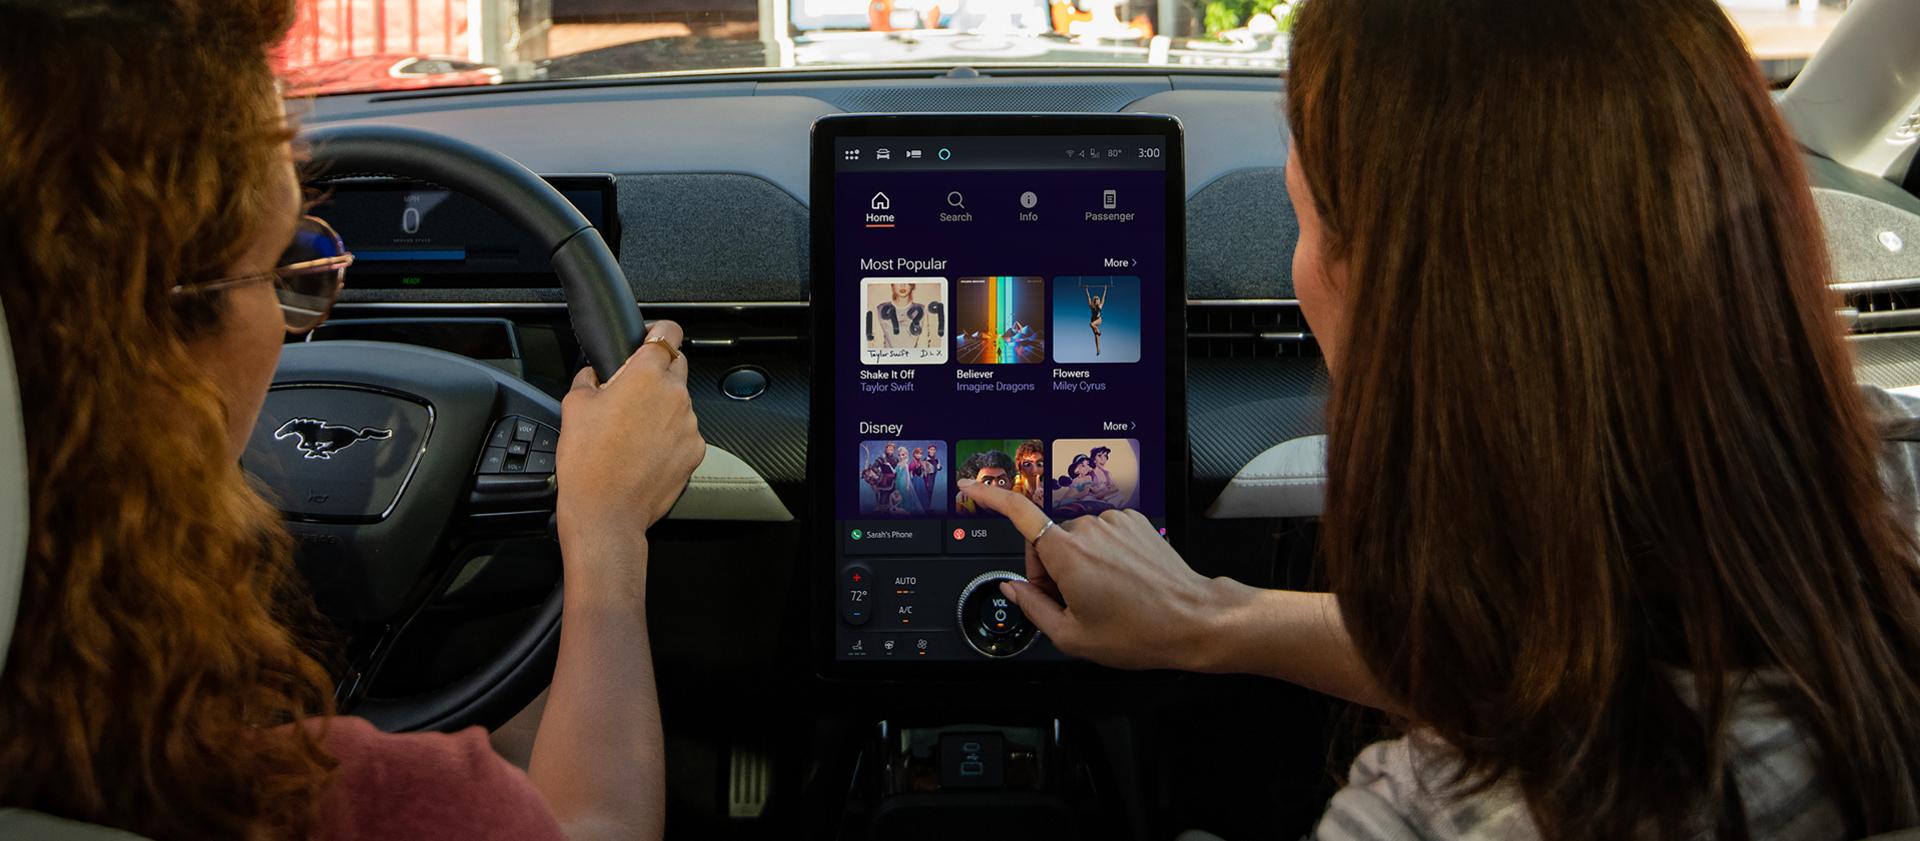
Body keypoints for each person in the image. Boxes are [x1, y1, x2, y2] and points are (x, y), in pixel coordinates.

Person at [960, 0, 1920, 838]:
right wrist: (1217, 617)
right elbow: (1591, 657)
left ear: (1426, 322)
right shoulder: (1889, 493)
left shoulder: (1424, 820)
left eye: (1302, 219)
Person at [0, 2, 705, 839]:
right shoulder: (370, 807)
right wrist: (606, 536)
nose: (305, 321)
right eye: (280, 270)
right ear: (147, 349)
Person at [1083, 284, 1106, 356]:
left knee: (1091, 324)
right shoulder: (1091, 305)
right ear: (1094, 301)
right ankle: (1098, 350)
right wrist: (1086, 289)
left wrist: (1105, 289)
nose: (1096, 300)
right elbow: (1088, 297)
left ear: (1098, 301)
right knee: (1096, 336)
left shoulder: (1100, 305)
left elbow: (1103, 297)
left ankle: (1099, 331)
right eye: (1095, 299)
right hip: (1093, 320)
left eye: (1097, 299)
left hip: (1098, 320)